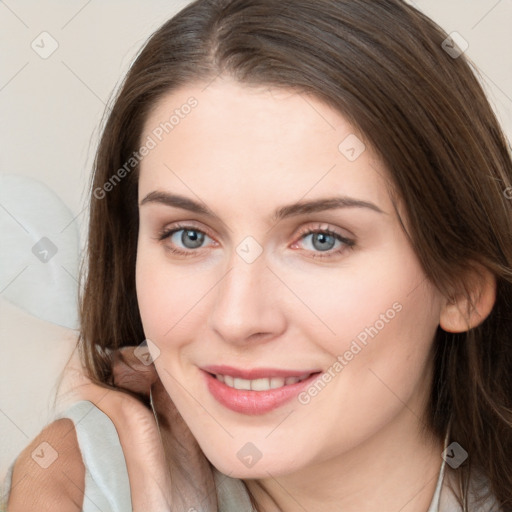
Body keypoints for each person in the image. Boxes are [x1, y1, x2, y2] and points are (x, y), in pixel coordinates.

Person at [3, 0, 512, 510]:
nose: (237, 318)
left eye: (322, 239)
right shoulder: (68, 486)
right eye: (189, 236)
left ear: (461, 286)